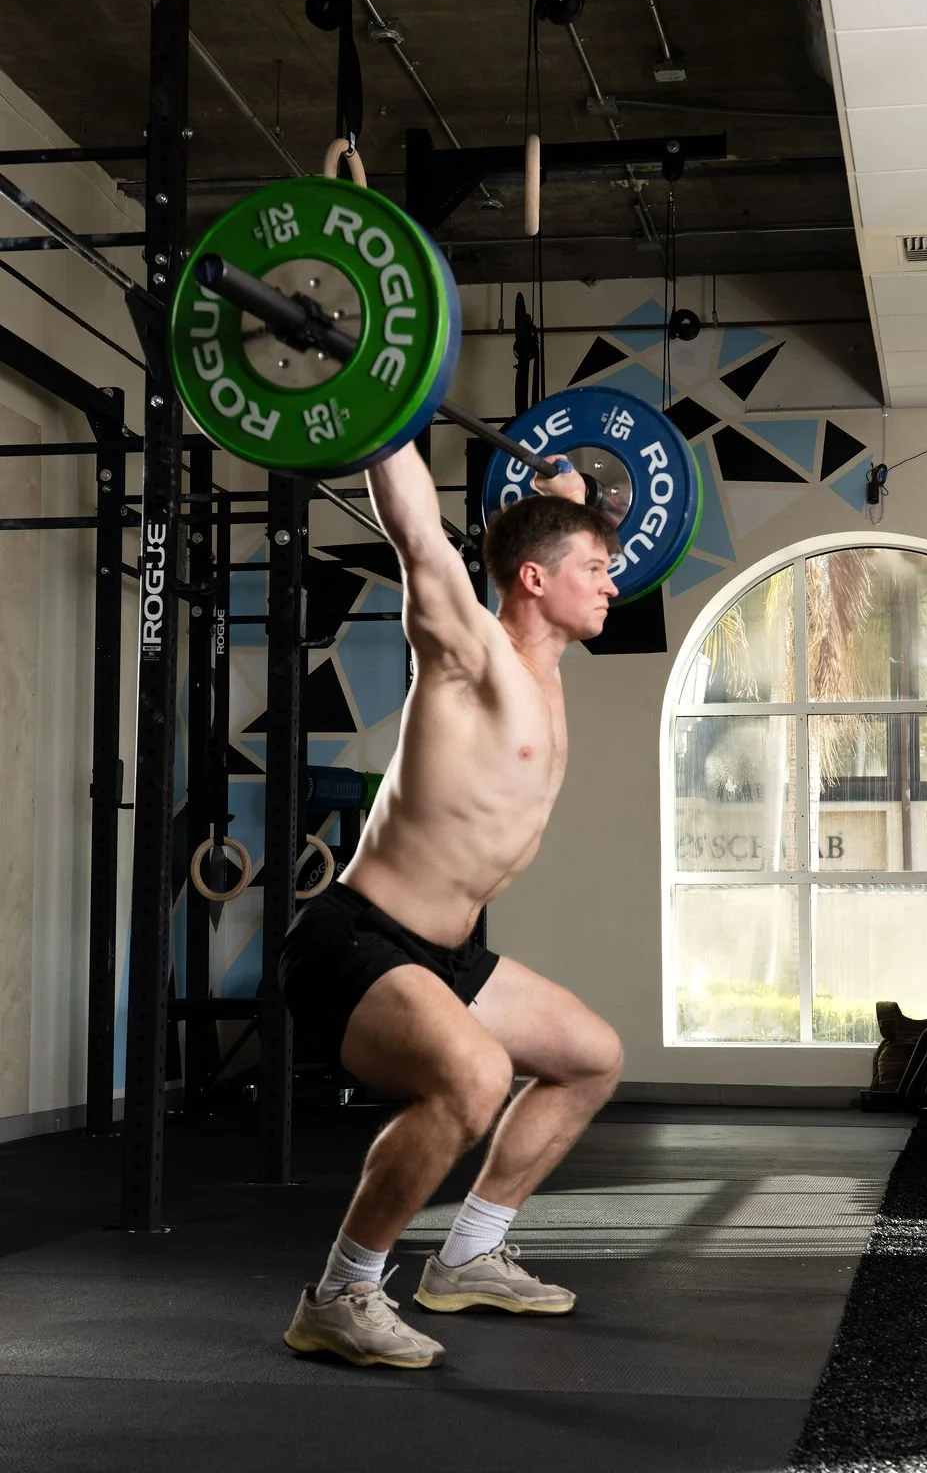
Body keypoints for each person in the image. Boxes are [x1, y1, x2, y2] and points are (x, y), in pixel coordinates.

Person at [278, 439, 624, 1369]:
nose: (612, 586)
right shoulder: (470, 653)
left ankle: (468, 1257)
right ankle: (343, 1292)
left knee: (590, 1057)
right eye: (596, 570)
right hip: (354, 942)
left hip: (446, 955)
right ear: (533, 579)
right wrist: (383, 416)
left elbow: (551, 534)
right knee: (473, 1078)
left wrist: (569, 502)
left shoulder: (548, 677)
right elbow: (420, 536)